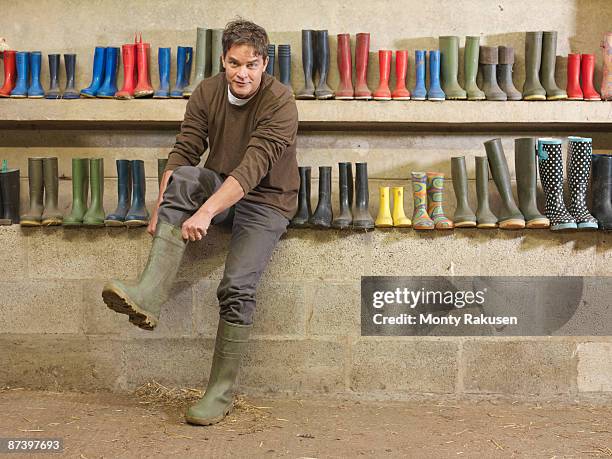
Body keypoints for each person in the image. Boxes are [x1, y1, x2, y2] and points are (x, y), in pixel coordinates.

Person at [101, 18, 299, 426]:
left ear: (265, 64)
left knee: (237, 287)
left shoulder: (281, 101)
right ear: (222, 60)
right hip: (220, 187)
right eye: (234, 63)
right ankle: (147, 296)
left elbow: (253, 168)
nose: (242, 73)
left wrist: (206, 212)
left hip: (267, 201)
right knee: (187, 177)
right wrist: (163, 207)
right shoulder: (207, 92)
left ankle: (219, 393)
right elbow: (186, 149)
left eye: (252, 64)